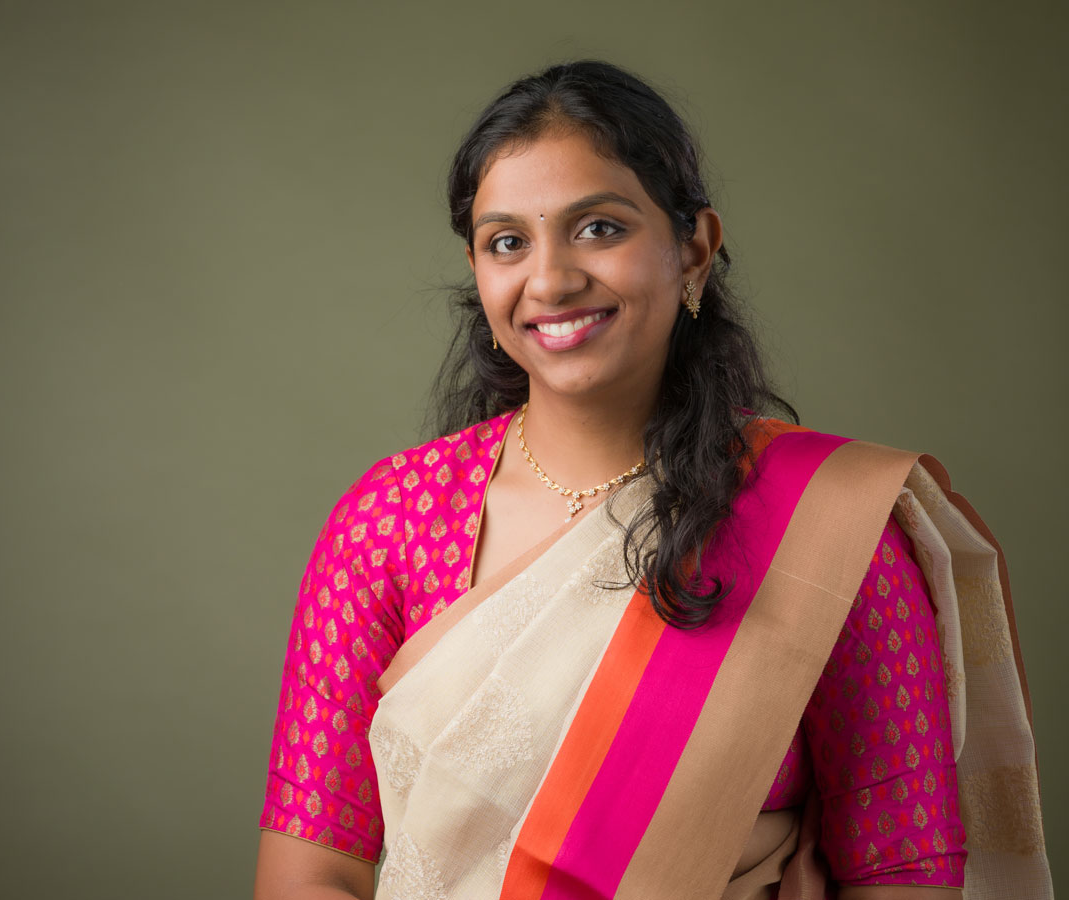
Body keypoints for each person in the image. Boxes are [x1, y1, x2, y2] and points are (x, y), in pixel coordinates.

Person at [252, 61, 1049, 900]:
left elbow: (903, 869)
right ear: (479, 271)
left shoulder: (827, 531)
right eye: (508, 241)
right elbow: (311, 870)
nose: (551, 280)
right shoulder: (388, 522)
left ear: (694, 249)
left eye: (599, 228)